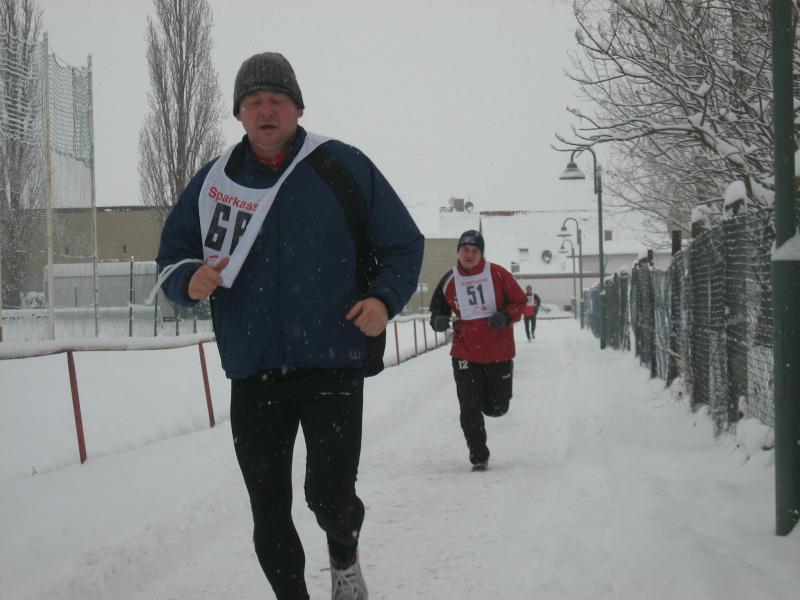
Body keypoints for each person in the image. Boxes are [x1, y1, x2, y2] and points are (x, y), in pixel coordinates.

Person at [156, 52, 423, 600]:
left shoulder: (340, 165)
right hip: (253, 369)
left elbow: (403, 243)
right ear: (239, 113)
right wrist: (189, 279)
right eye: (254, 101)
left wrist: (384, 299)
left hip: (332, 364)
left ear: (299, 108)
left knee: (329, 498)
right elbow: (172, 259)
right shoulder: (214, 182)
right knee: (268, 510)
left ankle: (343, 554)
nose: (265, 110)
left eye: (276, 100)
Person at [428, 230, 526, 472]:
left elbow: (520, 301)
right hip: (465, 352)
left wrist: (506, 316)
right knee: (469, 407)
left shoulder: (498, 273)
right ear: (458, 252)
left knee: (497, 408)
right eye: (465, 250)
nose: (469, 255)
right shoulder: (449, 280)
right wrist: (438, 320)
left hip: (498, 351)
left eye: (475, 250)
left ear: (481, 254)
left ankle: (488, 403)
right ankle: (478, 455)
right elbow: (437, 310)